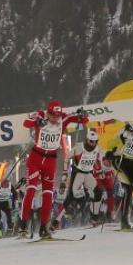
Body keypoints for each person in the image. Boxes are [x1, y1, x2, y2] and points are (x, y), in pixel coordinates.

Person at [18, 100, 88, 239]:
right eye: (52, 115)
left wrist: (82, 115)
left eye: (57, 116)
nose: (55, 118)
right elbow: (26, 123)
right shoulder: (40, 115)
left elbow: (84, 119)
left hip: (51, 160)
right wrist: (37, 122)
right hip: (36, 158)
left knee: (48, 195)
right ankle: (23, 225)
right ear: (48, 113)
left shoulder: (63, 118)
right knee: (31, 191)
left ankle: (44, 228)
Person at [65, 130, 103, 224]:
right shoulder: (79, 147)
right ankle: (68, 212)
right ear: (87, 140)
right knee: (73, 194)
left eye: (95, 141)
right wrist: (65, 172)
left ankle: (95, 217)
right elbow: (67, 157)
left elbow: (99, 160)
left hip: (88, 174)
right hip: (78, 174)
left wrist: (100, 171)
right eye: (91, 141)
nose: (93, 143)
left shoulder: (97, 148)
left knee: (98, 192)